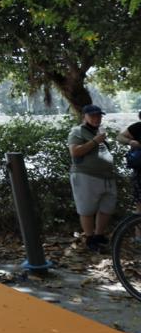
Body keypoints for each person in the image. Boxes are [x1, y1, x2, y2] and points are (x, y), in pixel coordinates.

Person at [69, 104, 119, 251]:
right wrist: (96, 141)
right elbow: (75, 152)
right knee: (87, 209)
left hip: (106, 177)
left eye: (99, 115)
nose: (97, 118)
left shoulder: (98, 131)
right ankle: (90, 239)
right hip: (86, 175)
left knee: (107, 207)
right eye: (92, 115)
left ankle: (99, 235)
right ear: (84, 116)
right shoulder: (77, 131)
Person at [115, 110, 141, 212]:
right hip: (140, 171)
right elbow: (120, 137)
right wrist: (130, 141)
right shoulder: (137, 127)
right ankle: (138, 227)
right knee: (140, 202)